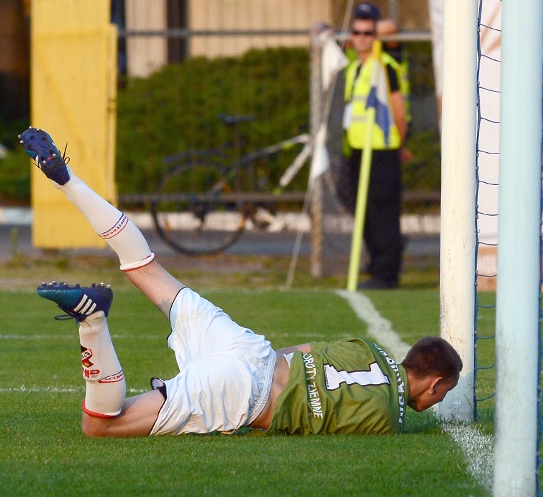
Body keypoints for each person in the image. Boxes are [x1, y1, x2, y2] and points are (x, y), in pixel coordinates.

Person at [19, 127, 461, 438]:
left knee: (144, 266)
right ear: (436, 384)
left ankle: (69, 182)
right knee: (100, 425)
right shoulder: (388, 418)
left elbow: (305, 351)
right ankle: (91, 321)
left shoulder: (370, 350)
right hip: (241, 393)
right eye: (444, 394)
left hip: (248, 348)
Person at [343, 1, 409, 290]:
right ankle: (378, 264)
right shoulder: (352, 62)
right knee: (363, 210)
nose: (362, 37)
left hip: (381, 151)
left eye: (368, 32)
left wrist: (400, 142)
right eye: (357, 32)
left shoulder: (385, 62)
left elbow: (398, 109)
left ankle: (386, 272)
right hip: (357, 149)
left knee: (382, 212)